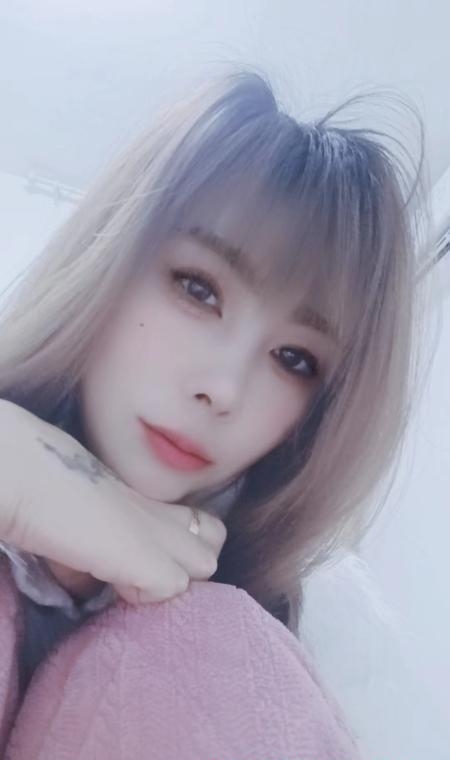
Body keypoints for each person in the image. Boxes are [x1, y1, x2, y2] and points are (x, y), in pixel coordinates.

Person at [0, 66, 425, 758]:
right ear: (111, 257)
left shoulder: (305, 631)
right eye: (198, 289)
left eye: (294, 359)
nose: (224, 388)